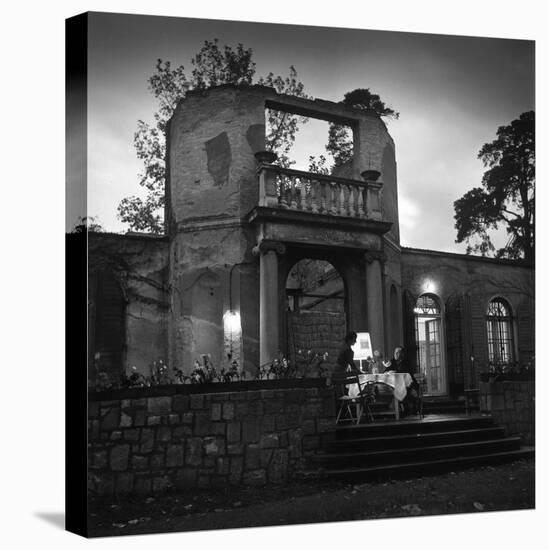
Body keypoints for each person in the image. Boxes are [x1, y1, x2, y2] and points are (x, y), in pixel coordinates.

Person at [383, 346, 419, 416]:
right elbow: (384, 372)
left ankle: (406, 409)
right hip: (396, 384)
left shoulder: (406, 362)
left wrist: (396, 371)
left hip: (408, 383)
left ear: (402, 354)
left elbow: (408, 373)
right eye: (395, 352)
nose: (395, 354)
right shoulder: (392, 361)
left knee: (404, 390)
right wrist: (388, 371)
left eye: (398, 353)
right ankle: (403, 409)